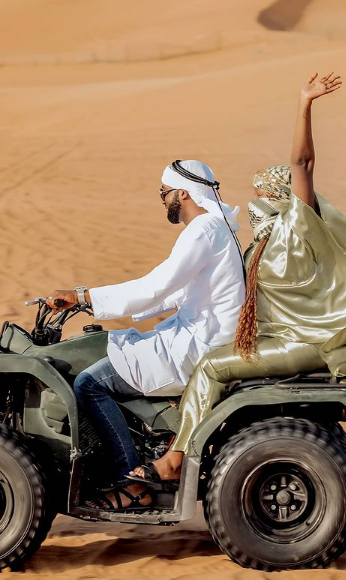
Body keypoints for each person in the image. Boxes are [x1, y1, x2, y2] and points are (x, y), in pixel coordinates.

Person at [128, 71, 346, 484]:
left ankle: (175, 459)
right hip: (278, 337)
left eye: (263, 194)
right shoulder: (260, 246)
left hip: (305, 343)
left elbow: (302, 163)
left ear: (283, 200)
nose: (255, 202)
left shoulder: (299, 230)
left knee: (210, 366)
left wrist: (304, 103)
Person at [47, 160, 245, 510]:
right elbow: (175, 292)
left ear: (182, 193)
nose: (162, 199)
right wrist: (96, 304)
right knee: (120, 348)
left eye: (163, 192)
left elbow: (157, 286)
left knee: (89, 384)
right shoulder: (218, 227)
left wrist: (83, 296)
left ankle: (131, 483)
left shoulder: (203, 231)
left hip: (199, 345)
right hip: (201, 335)